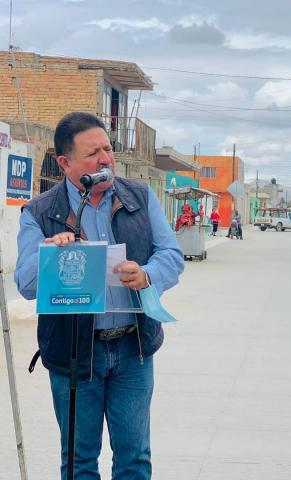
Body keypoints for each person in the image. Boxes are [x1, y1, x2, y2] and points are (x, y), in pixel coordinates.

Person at [15, 112, 184, 479]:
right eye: (93, 154)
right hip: (75, 354)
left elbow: (171, 254)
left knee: (135, 459)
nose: (106, 159)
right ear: (65, 162)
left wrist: (147, 274)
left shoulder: (138, 195)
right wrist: (52, 253)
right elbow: (26, 284)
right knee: (79, 462)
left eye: (108, 149)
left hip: (132, 350)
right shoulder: (40, 212)